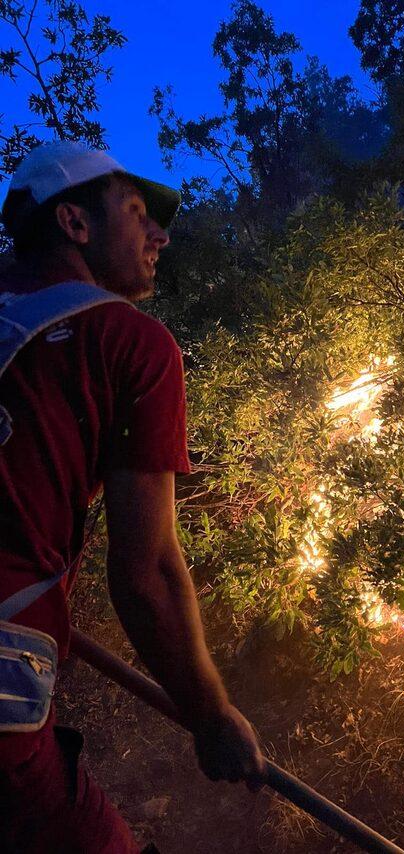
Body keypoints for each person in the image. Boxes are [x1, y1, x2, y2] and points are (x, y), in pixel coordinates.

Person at [0, 141, 265, 853]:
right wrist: (210, 713)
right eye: (138, 213)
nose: (161, 236)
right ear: (75, 225)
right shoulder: (128, 342)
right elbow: (144, 576)